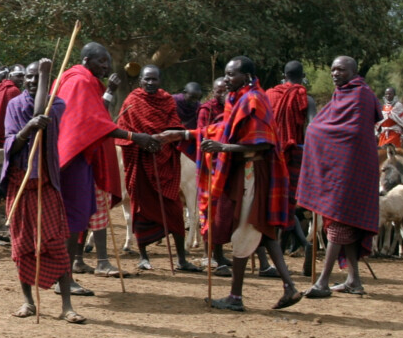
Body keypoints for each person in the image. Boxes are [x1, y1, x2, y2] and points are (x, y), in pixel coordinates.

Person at [199, 56, 301, 311]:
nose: (226, 79)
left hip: (251, 172)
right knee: (263, 232)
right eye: (225, 74)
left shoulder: (254, 99)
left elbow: (264, 143)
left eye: (232, 74)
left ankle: (235, 297)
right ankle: (289, 286)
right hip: (242, 170)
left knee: (245, 229)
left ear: (247, 76)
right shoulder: (237, 100)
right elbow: (223, 129)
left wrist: (222, 147)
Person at [55, 43, 160, 279]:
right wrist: (134, 136)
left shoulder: (84, 81)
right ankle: (97, 262)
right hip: (79, 154)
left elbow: (97, 113)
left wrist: (110, 90)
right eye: (101, 61)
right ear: (85, 60)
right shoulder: (79, 81)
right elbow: (93, 122)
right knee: (87, 208)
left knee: (88, 208)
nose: (106, 66)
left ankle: (79, 261)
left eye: (107, 61)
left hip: (86, 151)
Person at [3, 59, 84, 322]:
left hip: (46, 184)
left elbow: (40, 111)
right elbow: (11, 145)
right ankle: (28, 302)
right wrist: (26, 131)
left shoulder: (57, 105)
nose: (32, 81)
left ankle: (67, 306)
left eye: (39, 77)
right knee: (22, 246)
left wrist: (47, 73)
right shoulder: (14, 105)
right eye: (29, 76)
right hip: (21, 184)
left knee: (57, 244)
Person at [298, 57, 380, 297]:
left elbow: (351, 131)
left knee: (338, 225)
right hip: (338, 169)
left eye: (341, 70)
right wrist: (315, 132)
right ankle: (354, 280)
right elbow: (325, 125)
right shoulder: (341, 94)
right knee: (345, 225)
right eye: (332, 69)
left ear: (353, 72)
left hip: (352, 170)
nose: (335, 73)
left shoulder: (360, 95)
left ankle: (323, 282)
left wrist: (315, 132)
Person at [117, 65, 200, 273]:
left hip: (165, 162)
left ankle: (181, 259)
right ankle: (143, 257)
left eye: (154, 79)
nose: (151, 83)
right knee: (140, 209)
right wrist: (141, 140)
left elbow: (175, 126)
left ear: (160, 81)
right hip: (141, 163)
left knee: (174, 211)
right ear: (140, 81)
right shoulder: (132, 101)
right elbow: (124, 132)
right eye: (147, 79)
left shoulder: (167, 100)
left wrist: (165, 137)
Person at [265, 60, 314, 262]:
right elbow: (312, 127)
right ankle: (302, 245)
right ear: (302, 77)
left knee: (273, 205)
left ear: (283, 75)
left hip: (271, 156)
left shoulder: (269, 95)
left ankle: (284, 253)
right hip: (296, 156)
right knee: (290, 205)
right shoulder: (306, 99)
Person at [195, 76, 232, 271]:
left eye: (226, 91)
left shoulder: (233, 109)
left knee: (222, 214)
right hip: (210, 168)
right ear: (213, 92)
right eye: (219, 91)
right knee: (208, 211)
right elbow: (201, 133)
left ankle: (219, 254)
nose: (222, 94)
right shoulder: (207, 110)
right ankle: (206, 255)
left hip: (228, 166)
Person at [171, 82, 203, 154]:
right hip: (170, 136)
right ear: (184, 92)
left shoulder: (199, 107)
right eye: (192, 97)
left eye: (197, 99)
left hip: (187, 138)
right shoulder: (173, 100)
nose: (194, 101)